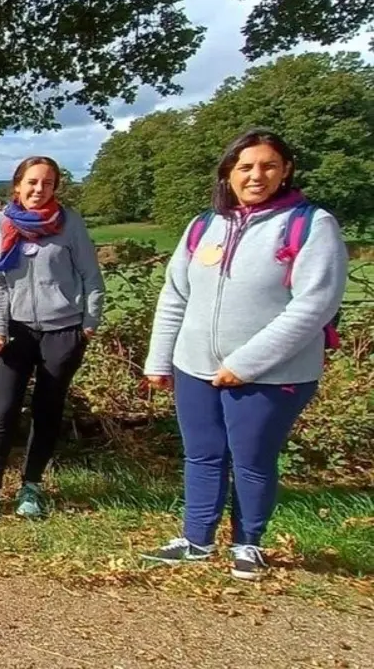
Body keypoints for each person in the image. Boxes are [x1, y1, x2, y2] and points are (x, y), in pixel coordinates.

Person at [141, 130, 347, 581]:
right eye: (245, 167)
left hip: (272, 373)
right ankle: (195, 540)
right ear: (228, 173)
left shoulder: (311, 225)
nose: (256, 175)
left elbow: (314, 306)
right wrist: (159, 358)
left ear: (285, 170)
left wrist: (244, 364)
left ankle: (248, 544)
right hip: (195, 365)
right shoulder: (204, 225)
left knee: (252, 459)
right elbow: (175, 295)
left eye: (268, 166)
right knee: (202, 454)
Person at [0, 156, 105, 522]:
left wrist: (88, 324)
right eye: (32, 182)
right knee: (2, 408)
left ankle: (32, 486)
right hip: (17, 330)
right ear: (17, 185)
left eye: (47, 183)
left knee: (47, 409)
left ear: (55, 187)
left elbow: (90, 275)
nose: (39, 189)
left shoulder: (70, 223)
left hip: (63, 329)